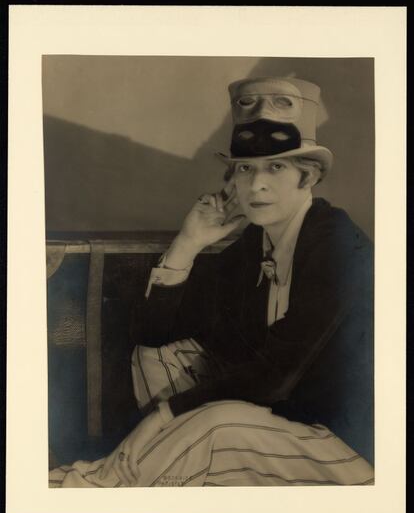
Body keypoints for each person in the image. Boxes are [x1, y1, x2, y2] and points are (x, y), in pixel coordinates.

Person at [49, 76, 374, 488]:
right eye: (244, 169)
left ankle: (94, 487)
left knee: (216, 423)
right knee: (158, 359)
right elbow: (153, 335)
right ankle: (140, 479)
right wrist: (189, 244)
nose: (256, 185)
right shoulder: (256, 240)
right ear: (231, 180)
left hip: (340, 443)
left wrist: (164, 417)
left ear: (307, 178)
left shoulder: (337, 242)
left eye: (276, 167)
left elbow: (277, 374)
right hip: (275, 417)